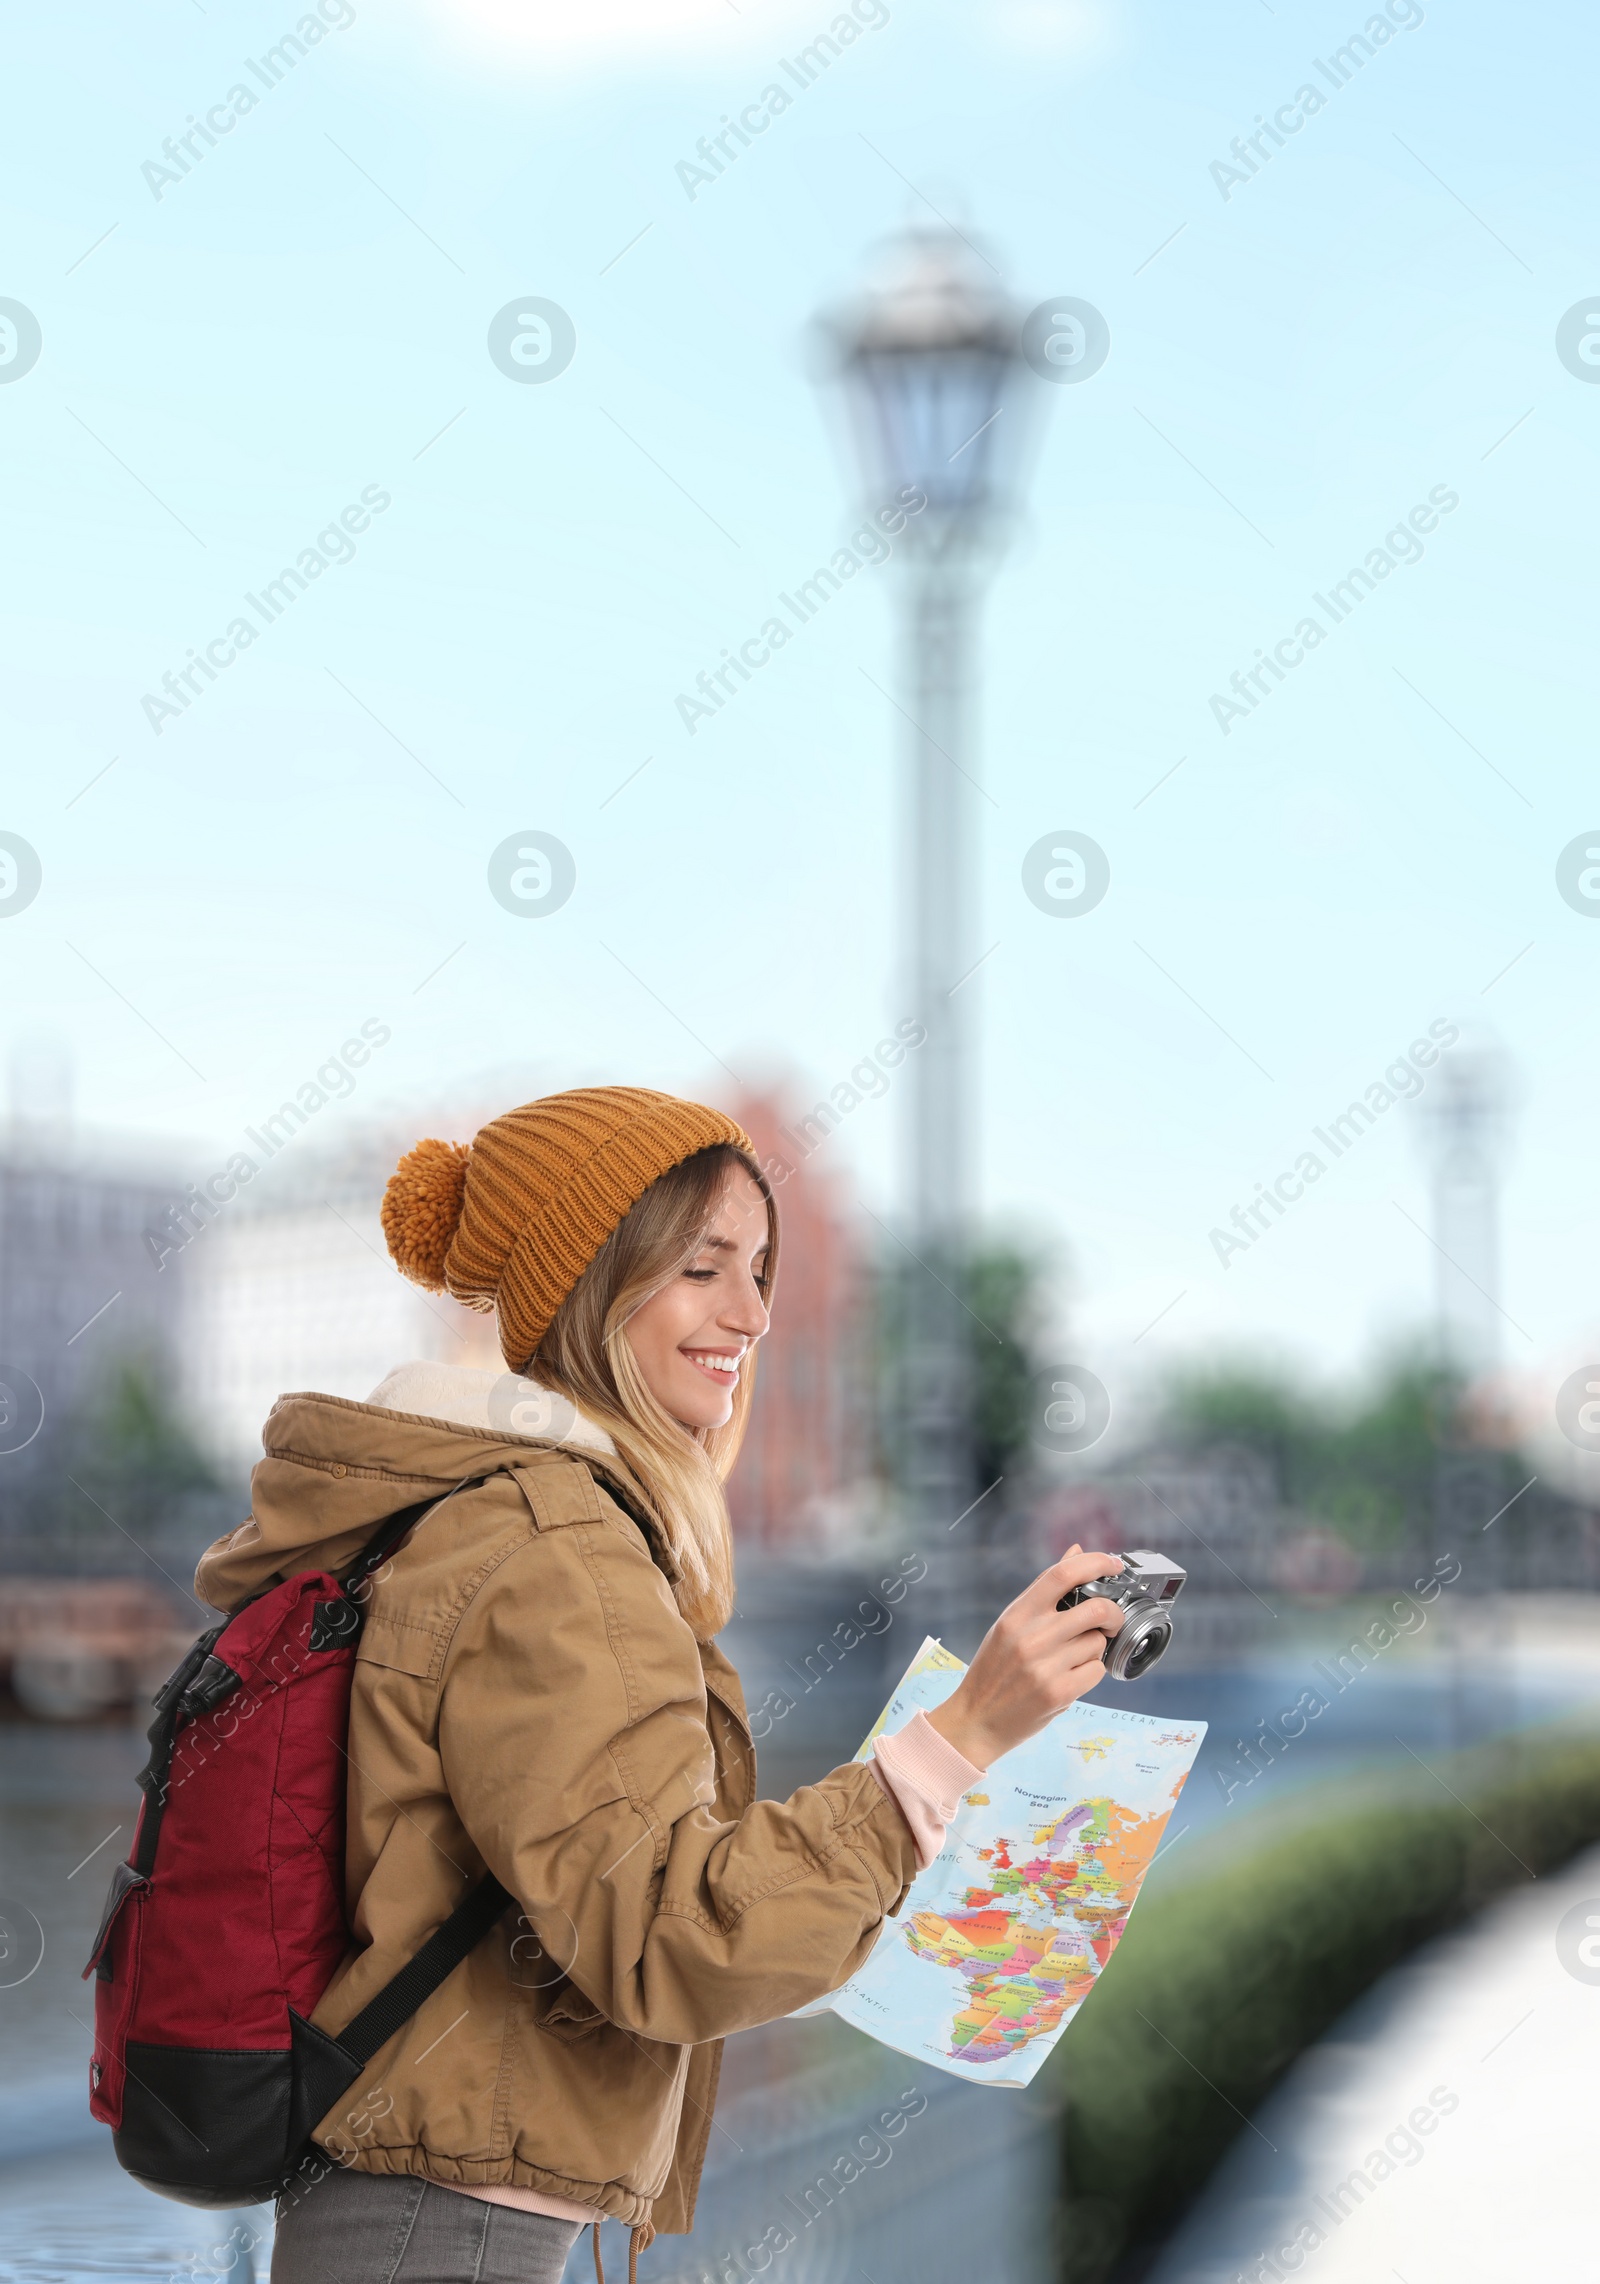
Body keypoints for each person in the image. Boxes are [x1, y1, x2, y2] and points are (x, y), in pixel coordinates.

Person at [198, 1087, 1123, 2284]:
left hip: (437, 2222)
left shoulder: (493, 1517)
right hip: (448, 2237)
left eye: (759, 1270)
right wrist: (955, 1742)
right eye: (701, 1266)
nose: (748, 1312)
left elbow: (601, 1901)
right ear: (590, 1281)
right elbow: (671, 1939)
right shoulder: (556, 1549)